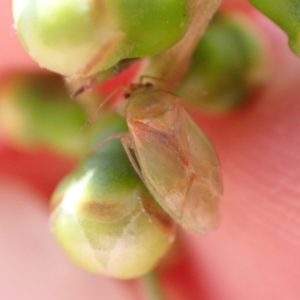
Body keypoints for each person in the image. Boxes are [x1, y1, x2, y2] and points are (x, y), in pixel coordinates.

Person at [1, 1, 300, 299]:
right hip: (169, 117)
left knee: (134, 147)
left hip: (156, 132)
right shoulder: (158, 102)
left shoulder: (130, 122)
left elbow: (131, 146)